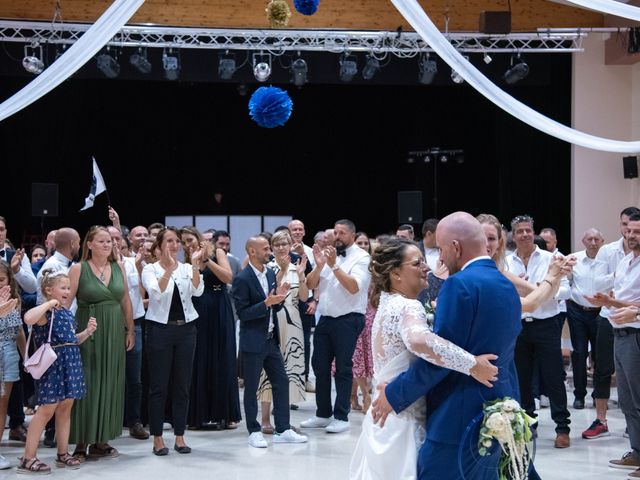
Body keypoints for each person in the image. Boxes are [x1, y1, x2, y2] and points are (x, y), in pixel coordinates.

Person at [371, 212, 522, 480]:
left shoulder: (459, 285)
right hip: (498, 408)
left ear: (456, 247)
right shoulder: (506, 285)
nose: (439, 259)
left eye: (440, 249)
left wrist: (394, 394)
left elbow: (437, 358)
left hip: (456, 416)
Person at [350, 236, 499, 480]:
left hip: (384, 417)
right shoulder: (408, 306)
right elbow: (418, 341)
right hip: (404, 420)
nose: (426, 267)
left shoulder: (387, 302)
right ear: (396, 273)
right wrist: (472, 364)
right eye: (417, 263)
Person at [232, 236, 307, 448]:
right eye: (265, 249)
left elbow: (274, 306)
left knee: (281, 382)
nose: (269, 252)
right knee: (251, 388)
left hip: (271, 340)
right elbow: (242, 313)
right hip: (253, 341)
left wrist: (278, 300)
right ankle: (253, 430)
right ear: (252, 251)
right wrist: (266, 303)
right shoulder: (242, 279)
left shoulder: (271, 273)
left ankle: (283, 429)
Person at [19, 270, 97, 474]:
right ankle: (28, 458)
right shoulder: (45, 312)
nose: (67, 291)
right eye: (63, 288)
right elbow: (28, 318)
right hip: (53, 367)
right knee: (46, 410)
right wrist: (48, 304)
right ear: (48, 290)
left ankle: (63, 454)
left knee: (65, 409)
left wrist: (87, 333)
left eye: (69, 288)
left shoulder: (67, 313)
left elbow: (71, 341)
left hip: (70, 364)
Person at [68, 226, 135, 460]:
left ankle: (101, 440)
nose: (107, 245)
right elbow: (66, 302)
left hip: (114, 330)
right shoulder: (79, 269)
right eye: (102, 241)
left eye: (109, 241)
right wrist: (63, 333)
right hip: (89, 330)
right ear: (89, 244)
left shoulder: (119, 267)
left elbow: (125, 299)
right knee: (87, 383)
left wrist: (131, 330)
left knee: (110, 382)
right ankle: (80, 442)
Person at [301, 219, 371, 434]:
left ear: (352, 235)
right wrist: (320, 266)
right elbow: (311, 285)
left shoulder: (362, 257)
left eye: (341, 233)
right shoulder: (328, 255)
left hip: (349, 319)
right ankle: (323, 413)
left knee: (343, 368)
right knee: (319, 365)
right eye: (335, 233)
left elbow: (353, 287)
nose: (336, 237)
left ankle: (342, 416)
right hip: (326, 318)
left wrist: (333, 265)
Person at [141, 227, 204, 455]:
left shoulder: (187, 267)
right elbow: (156, 293)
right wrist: (167, 270)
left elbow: (197, 292)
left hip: (186, 331)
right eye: (169, 241)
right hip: (160, 331)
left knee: (182, 386)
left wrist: (195, 265)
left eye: (177, 241)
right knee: (158, 387)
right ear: (158, 248)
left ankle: (180, 435)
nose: (174, 245)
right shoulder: (150, 269)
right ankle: (157, 438)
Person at [181, 227, 240, 431]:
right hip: (196, 307)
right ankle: (198, 415)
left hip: (218, 305)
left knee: (223, 356)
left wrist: (207, 261)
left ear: (198, 238)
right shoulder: (185, 259)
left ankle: (226, 414)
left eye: (190, 239)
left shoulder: (218, 252)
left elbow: (228, 277)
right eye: (183, 241)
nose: (187, 244)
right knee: (199, 358)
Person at [258, 231, 307, 433]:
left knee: (289, 370)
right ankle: (264, 419)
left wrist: (302, 275)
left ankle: (283, 419)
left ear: (290, 245)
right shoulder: (266, 268)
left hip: (293, 322)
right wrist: (282, 270)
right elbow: (269, 293)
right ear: (271, 247)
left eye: (284, 244)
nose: (281, 247)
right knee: (267, 372)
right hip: (273, 321)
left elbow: (304, 298)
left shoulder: (298, 268)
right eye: (276, 244)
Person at [0, 261, 27, 470]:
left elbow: (18, 331)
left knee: (2, 404)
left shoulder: (15, 300)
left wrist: (26, 355)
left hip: (8, 354)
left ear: (9, 280)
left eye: (1, 280)